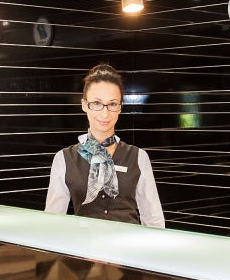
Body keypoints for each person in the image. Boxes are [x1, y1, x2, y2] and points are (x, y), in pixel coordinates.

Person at [45, 64, 164, 227]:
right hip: (84, 243)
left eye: (112, 104)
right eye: (96, 103)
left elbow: (153, 219)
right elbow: (53, 220)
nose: (105, 113)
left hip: (129, 242)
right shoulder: (64, 159)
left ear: (120, 106)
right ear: (84, 105)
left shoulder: (138, 157)